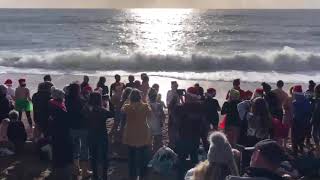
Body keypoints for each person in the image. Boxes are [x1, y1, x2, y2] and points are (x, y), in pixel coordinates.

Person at [173, 87, 206, 180]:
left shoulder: (182, 107)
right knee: (194, 161)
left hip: (183, 138)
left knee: (181, 162)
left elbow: (176, 117)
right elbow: (203, 125)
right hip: (195, 138)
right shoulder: (200, 107)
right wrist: (204, 140)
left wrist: (180, 99)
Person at [121, 89, 151, 180]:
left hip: (130, 132)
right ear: (139, 97)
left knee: (131, 157)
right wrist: (144, 101)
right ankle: (142, 176)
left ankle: (132, 176)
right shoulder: (145, 106)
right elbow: (150, 115)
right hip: (142, 132)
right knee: (142, 157)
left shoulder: (127, 107)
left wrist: (127, 101)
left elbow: (121, 110)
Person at [83, 92, 113, 179]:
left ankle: (95, 175)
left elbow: (83, 113)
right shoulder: (102, 110)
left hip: (91, 135)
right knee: (104, 157)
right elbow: (112, 114)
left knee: (93, 156)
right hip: (102, 135)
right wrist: (109, 102)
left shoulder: (86, 109)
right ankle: (104, 175)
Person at [65, 83, 90, 178]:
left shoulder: (66, 100)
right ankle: (84, 171)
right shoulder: (81, 101)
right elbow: (85, 113)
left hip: (71, 127)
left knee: (75, 149)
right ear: (78, 90)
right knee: (84, 149)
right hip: (82, 127)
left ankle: (76, 170)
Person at [48, 88, 73, 179]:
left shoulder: (51, 104)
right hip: (61, 132)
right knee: (60, 148)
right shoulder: (60, 108)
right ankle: (60, 167)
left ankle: (55, 165)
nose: (64, 98)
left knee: (55, 148)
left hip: (54, 131)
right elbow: (65, 120)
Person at [292, 85, 312, 155]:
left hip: (297, 121)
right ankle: (301, 150)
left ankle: (295, 152)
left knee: (294, 138)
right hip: (305, 122)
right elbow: (309, 112)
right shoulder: (306, 101)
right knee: (301, 137)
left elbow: (294, 113)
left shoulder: (295, 102)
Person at [148, 88, 165, 153]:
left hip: (149, 125)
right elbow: (163, 115)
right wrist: (161, 122)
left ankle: (150, 154)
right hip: (157, 124)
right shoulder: (159, 105)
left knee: (149, 142)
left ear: (149, 96)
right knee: (158, 142)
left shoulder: (146, 105)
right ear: (156, 97)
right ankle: (156, 153)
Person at [110, 74, 125, 140]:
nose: (118, 78)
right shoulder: (113, 85)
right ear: (115, 78)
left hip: (121, 100)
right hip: (116, 100)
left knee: (120, 118)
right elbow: (111, 94)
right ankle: (114, 133)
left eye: (119, 77)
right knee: (117, 119)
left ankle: (117, 134)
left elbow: (124, 93)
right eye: (117, 77)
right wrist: (112, 104)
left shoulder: (123, 84)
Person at [311, 84, 320, 155]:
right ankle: (317, 146)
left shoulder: (317, 100)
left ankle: (317, 147)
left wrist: (312, 120)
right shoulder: (316, 100)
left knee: (314, 134)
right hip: (317, 119)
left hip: (316, 120)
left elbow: (316, 112)